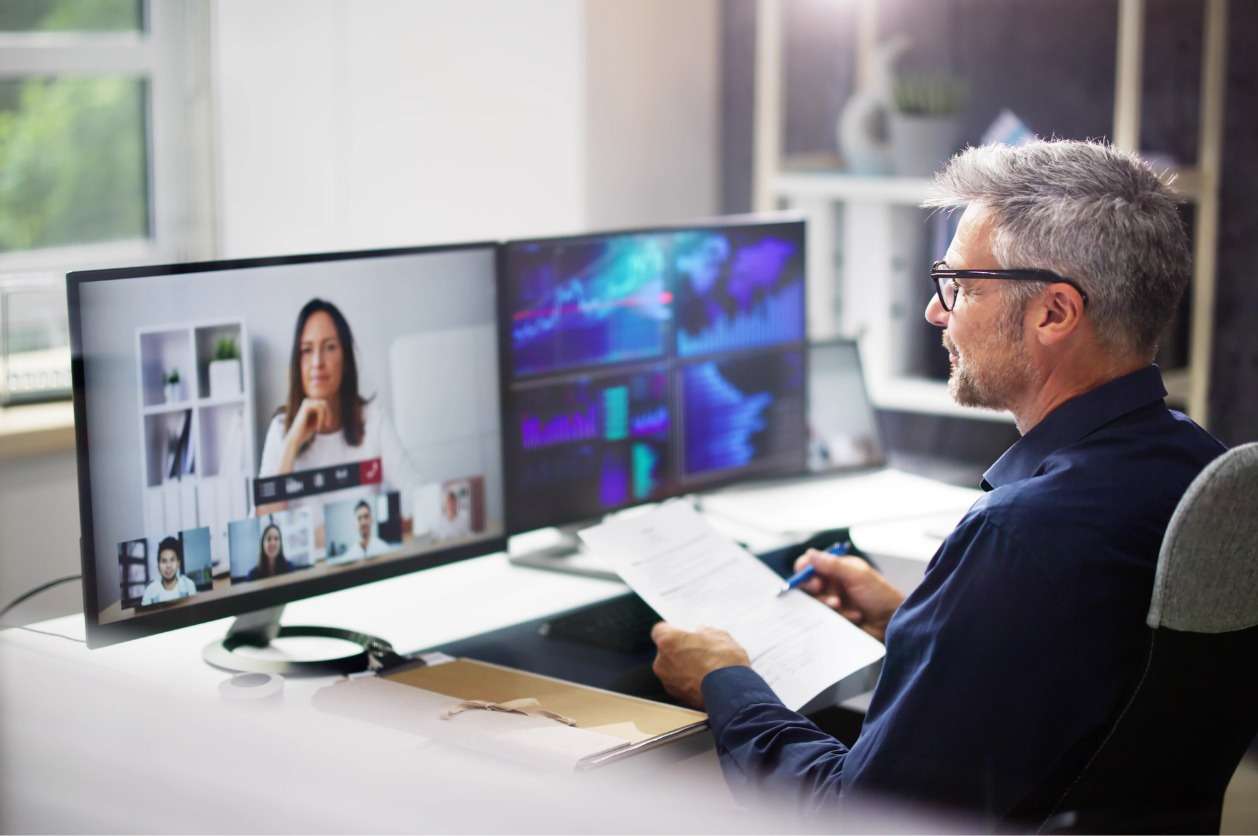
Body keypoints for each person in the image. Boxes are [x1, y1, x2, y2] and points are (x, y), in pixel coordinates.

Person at [648, 140, 1226, 825]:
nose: (935, 312)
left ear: (1055, 313)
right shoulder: (1201, 469)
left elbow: (855, 816)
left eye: (959, 285)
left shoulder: (1020, 534)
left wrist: (723, 680)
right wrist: (915, 624)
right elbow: (1102, 687)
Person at [257, 298, 421, 514]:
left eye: (330, 347)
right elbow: (263, 528)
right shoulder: (281, 430)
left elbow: (418, 496)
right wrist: (291, 443)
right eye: (306, 350)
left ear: (345, 359)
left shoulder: (373, 421)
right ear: (297, 362)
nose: (317, 362)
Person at [140, 537, 198, 605]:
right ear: (158, 565)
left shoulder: (189, 585)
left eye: (172, 560)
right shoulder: (150, 591)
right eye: (164, 561)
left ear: (178, 563)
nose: (168, 566)